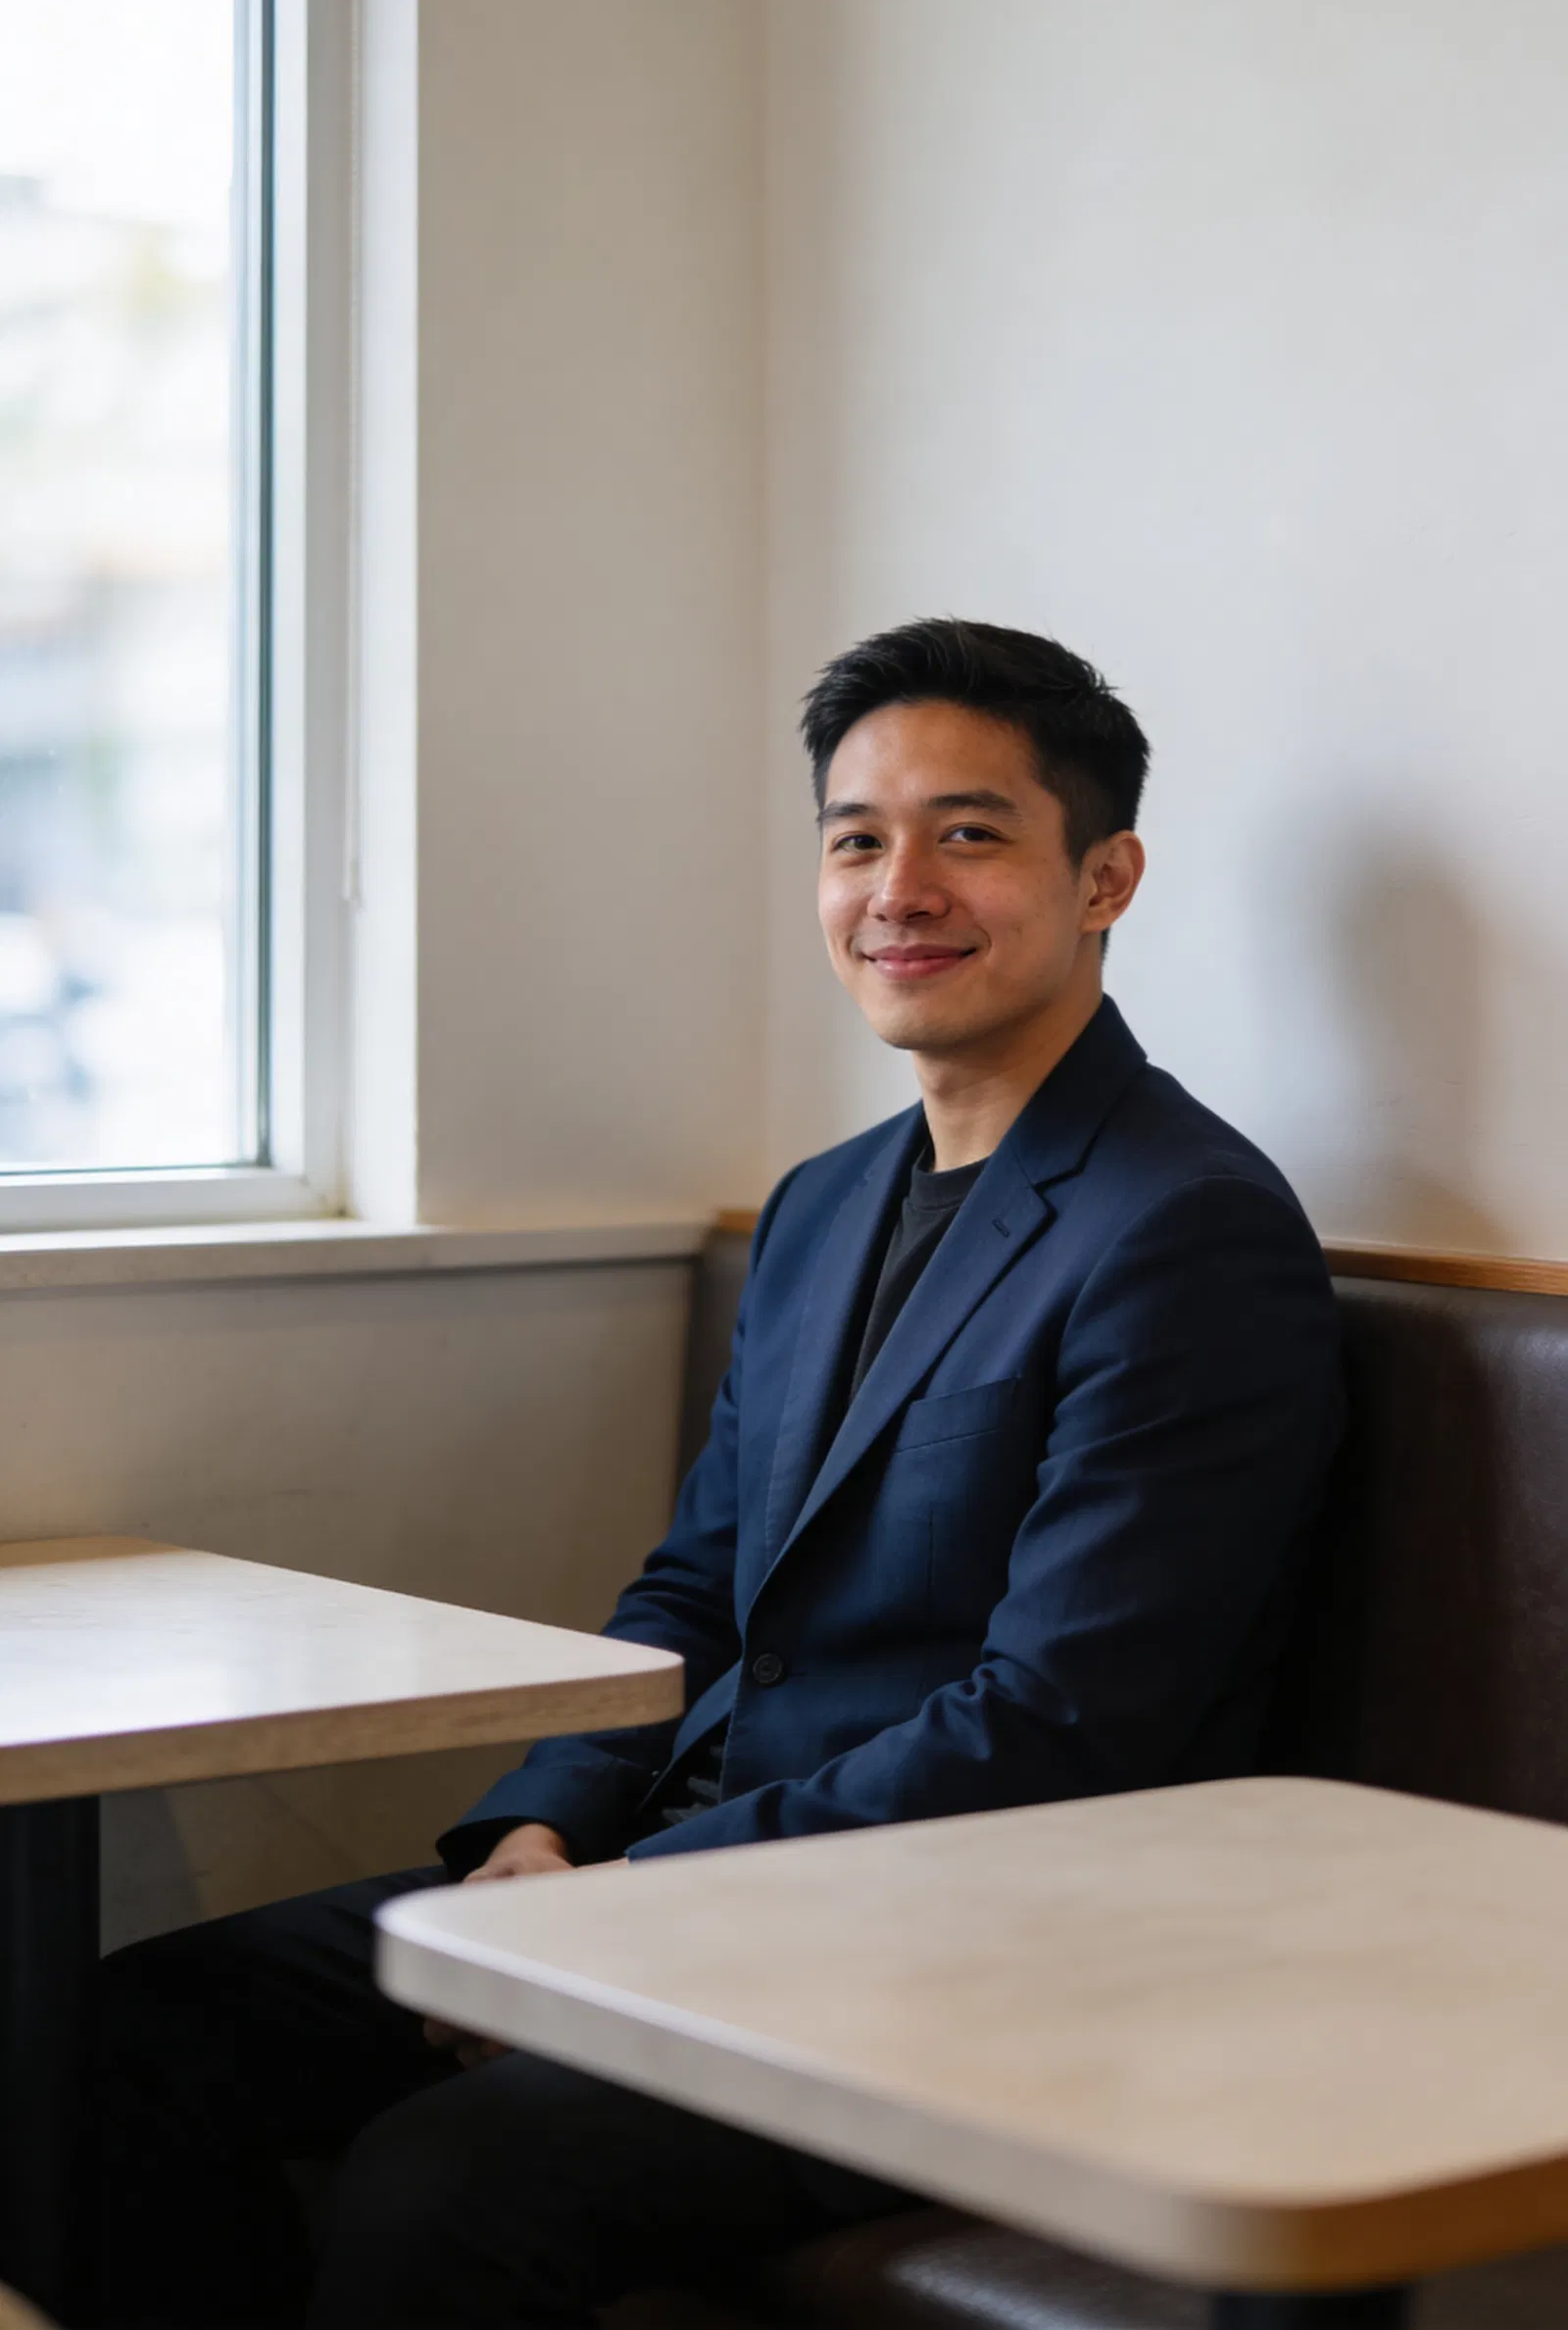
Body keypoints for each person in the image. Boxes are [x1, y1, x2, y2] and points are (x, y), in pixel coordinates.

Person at [99, 619, 1345, 2330]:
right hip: (678, 1879)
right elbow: (691, 1592)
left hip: (973, 1944)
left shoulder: (1185, 1226)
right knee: (114, 2033)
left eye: (968, 833)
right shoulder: (825, 1203)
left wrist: (631, 1915)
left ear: (1105, 877)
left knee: (442, 2186)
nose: (898, 887)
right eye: (856, 840)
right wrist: (542, 1832)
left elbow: (1066, 1722)